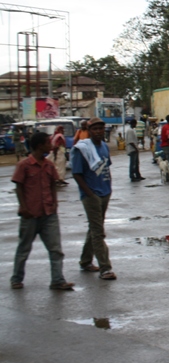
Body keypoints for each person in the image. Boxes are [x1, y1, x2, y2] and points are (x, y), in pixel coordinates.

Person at [10, 131, 74, 291]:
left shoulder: (49, 165)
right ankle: (16, 278)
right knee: (24, 248)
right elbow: (19, 187)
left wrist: (54, 203)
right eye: (47, 143)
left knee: (56, 249)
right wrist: (23, 207)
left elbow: (53, 184)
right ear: (39, 146)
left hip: (48, 214)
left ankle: (57, 280)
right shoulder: (24, 166)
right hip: (30, 214)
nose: (50, 146)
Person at [71, 117, 116, 280]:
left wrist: (108, 188)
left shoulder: (104, 146)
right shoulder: (81, 149)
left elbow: (107, 167)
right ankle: (105, 267)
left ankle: (85, 261)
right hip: (91, 195)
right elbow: (76, 173)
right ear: (89, 131)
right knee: (98, 232)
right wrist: (89, 194)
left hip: (105, 192)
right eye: (95, 129)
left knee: (94, 228)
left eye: (101, 128)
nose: (98, 131)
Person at [160, 114, 169, 181]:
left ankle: (167, 176)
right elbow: (168, 134)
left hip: (164, 145)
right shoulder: (168, 127)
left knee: (166, 161)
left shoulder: (164, 126)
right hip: (167, 146)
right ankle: (168, 176)